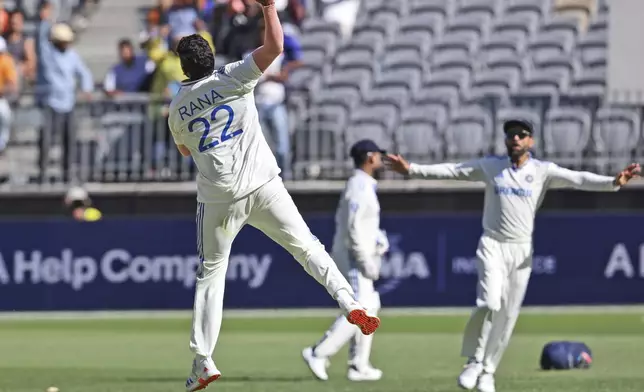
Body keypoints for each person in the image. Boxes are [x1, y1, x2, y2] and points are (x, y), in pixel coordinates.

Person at [167, 2, 380, 391]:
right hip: (264, 184)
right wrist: (267, 7)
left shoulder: (177, 109)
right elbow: (276, 46)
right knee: (307, 247)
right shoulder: (232, 77)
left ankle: (204, 360)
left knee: (211, 275)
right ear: (211, 57)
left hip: (218, 198)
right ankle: (351, 303)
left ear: (183, 68)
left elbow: (185, 152)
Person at [386, 119, 641, 392]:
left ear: (531, 141)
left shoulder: (543, 170)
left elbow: (577, 178)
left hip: (521, 250)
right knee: (489, 303)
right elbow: (453, 170)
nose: (516, 139)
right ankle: (474, 361)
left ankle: (488, 371)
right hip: (492, 244)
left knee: (508, 315)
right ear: (506, 141)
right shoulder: (492, 166)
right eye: (511, 135)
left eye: (522, 135)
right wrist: (411, 169)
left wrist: (613, 181)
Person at [302, 139, 389, 382]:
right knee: (360, 307)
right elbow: (353, 229)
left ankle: (358, 366)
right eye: (379, 155)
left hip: (359, 253)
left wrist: (379, 240)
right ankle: (319, 353)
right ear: (370, 157)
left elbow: (365, 224)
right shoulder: (359, 187)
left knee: (370, 304)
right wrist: (365, 259)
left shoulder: (365, 185)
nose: (381, 160)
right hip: (353, 255)